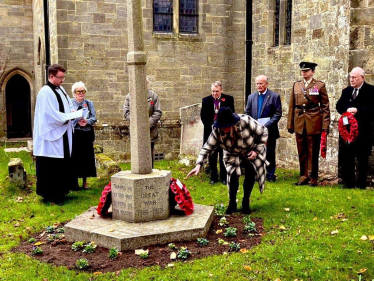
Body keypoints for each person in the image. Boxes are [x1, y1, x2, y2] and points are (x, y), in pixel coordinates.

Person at [188, 107, 268, 214]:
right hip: (232, 153)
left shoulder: (245, 121)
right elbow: (207, 147)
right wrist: (198, 164)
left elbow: (264, 132)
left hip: (250, 150)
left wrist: (256, 151)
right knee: (233, 175)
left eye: (226, 126)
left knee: (251, 173)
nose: (223, 129)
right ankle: (232, 204)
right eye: (222, 126)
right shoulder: (216, 130)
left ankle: (246, 202)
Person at [33, 64, 82, 204]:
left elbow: (69, 107)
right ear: (51, 76)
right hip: (51, 136)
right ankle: (51, 195)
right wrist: (67, 117)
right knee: (52, 166)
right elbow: (49, 115)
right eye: (60, 78)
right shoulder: (45, 92)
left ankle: (62, 191)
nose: (62, 80)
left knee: (63, 163)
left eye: (63, 77)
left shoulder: (61, 90)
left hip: (63, 133)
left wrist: (75, 114)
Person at [287, 61, 330, 187]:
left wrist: (325, 125)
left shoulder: (319, 85)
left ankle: (313, 178)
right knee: (301, 150)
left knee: (313, 150)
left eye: (306, 70)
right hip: (299, 121)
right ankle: (303, 176)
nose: (304, 72)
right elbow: (291, 106)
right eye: (302, 71)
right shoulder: (296, 85)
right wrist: (290, 124)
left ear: (313, 71)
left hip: (314, 121)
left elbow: (325, 107)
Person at [336, 67, 374, 189]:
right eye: (350, 77)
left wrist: (358, 110)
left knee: (362, 158)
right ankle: (348, 183)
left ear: (362, 78)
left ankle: (361, 183)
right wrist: (346, 110)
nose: (351, 80)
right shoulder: (346, 91)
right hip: (348, 131)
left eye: (354, 77)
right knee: (348, 157)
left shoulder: (371, 90)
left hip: (364, 131)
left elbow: (372, 109)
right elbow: (339, 106)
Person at [244, 75, 282, 182]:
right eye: (257, 83)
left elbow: (278, 113)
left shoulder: (274, 96)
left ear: (266, 84)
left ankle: (270, 174)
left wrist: (266, 125)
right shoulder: (251, 97)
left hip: (269, 130)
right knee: (256, 152)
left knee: (269, 152)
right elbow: (247, 113)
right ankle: (258, 173)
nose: (259, 86)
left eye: (261, 83)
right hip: (255, 131)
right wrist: (252, 125)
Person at [200, 81, 235, 185]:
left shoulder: (228, 99)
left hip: (224, 131)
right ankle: (213, 176)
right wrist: (211, 126)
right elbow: (203, 116)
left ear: (221, 90)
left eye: (217, 91)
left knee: (223, 153)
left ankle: (224, 177)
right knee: (212, 154)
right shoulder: (206, 100)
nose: (214, 93)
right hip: (211, 131)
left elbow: (231, 113)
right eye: (213, 91)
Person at [123, 78, 162, 168]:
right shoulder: (129, 97)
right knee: (137, 155)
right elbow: (126, 112)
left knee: (149, 156)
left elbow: (158, 112)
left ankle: (149, 172)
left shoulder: (153, 96)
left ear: (147, 83)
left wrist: (147, 123)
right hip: (136, 131)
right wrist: (137, 123)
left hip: (149, 132)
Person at [71, 81, 97, 190]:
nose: (81, 93)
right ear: (74, 93)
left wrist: (87, 121)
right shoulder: (70, 103)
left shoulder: (89, 103)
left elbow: (94, 117)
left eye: (83, 91)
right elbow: (68, 117)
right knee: (75, 158)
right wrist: (76, 121)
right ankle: (75, 182)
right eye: (78, 91)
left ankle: (85, 182)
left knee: (87, 158)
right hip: (75, 133)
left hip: (86, 134)